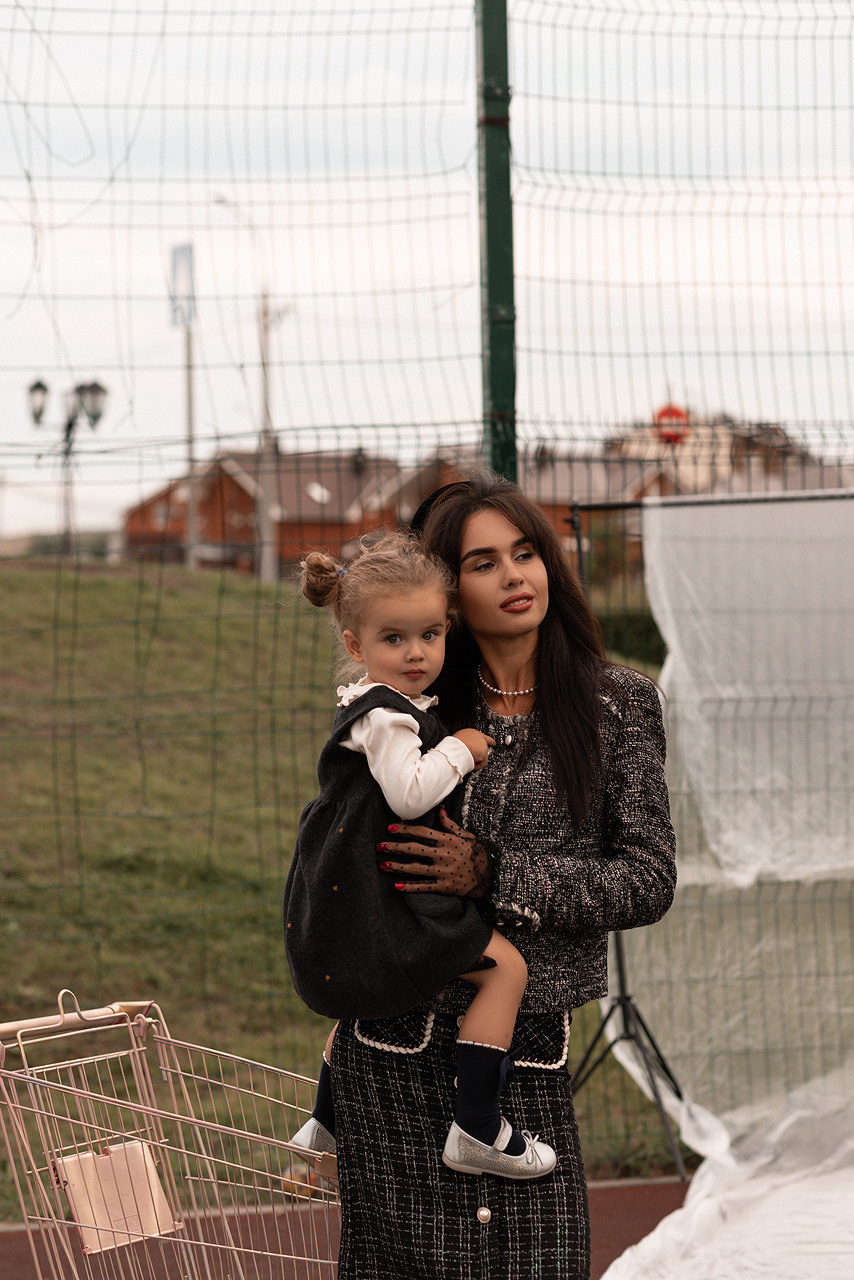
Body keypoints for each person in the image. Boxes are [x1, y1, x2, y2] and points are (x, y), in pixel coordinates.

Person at [328, 470, 677, 1280]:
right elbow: (341, 858)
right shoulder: (407, 712)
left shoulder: (620, 704)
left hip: (524, 1056)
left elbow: (648, 879)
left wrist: (494, 871)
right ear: (449, 594)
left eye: (526, 553)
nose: (516, 575)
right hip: (392, 1045)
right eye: (484, 563)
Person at [285, 531, 557, 1179]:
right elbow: (409, 795)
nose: (415, 654)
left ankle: (327, 1119)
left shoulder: (389, 706)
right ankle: (479, 1128)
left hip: (362, 890)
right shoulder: (386, 717)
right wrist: (463, 746)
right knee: (506, 970)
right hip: (387, 897)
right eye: (394, 639)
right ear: (355, 645)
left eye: (430, 635)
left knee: (369, 992)